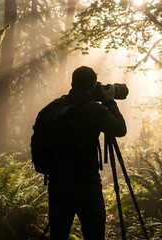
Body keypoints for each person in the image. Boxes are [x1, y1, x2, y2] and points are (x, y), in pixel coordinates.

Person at [47, 66, 127, 240]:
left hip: (57, 185)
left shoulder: (55, 107)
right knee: (94, 235)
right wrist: (110, 101)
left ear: (72, 83)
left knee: (58, 235)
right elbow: (120, 129)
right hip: (86, 184)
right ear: (92, 87)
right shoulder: (94, 110)